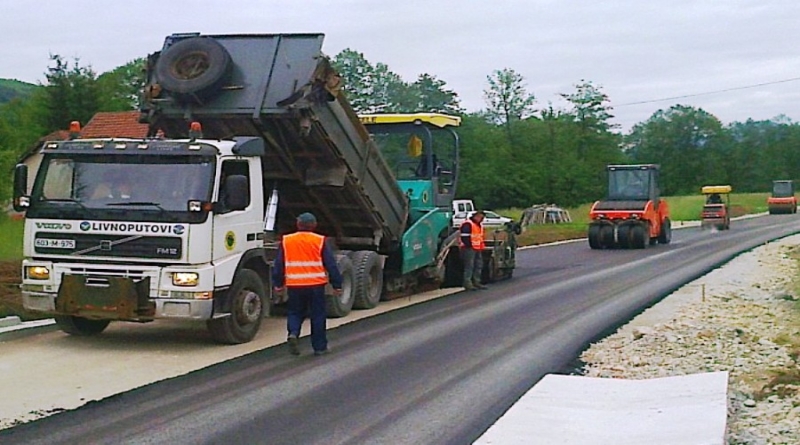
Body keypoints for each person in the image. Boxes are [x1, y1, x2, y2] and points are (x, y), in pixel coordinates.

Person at [272, 212, 343, 356]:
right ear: (314, 226)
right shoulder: (319, 240)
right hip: (316, 285)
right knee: (317, 315)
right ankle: (320, 347)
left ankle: (293, 333)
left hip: (295, 284)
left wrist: (278, 283)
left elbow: (279, 265)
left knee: (295, 312)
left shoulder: (287, 240)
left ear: (298, 225)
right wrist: (337, 284)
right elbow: (330, 264)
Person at [459, 210, 487, 291]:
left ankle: (476, 282)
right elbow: (465, 237)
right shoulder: (468, 224)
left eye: (482, 218)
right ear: (475, 216)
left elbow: (479, 237)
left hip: (477, 248)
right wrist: (469, 246)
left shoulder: (479, 225)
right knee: (469, 266)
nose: (481, 219)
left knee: (478, 265)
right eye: (480, 217)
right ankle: (468, 283)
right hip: (468, 248)